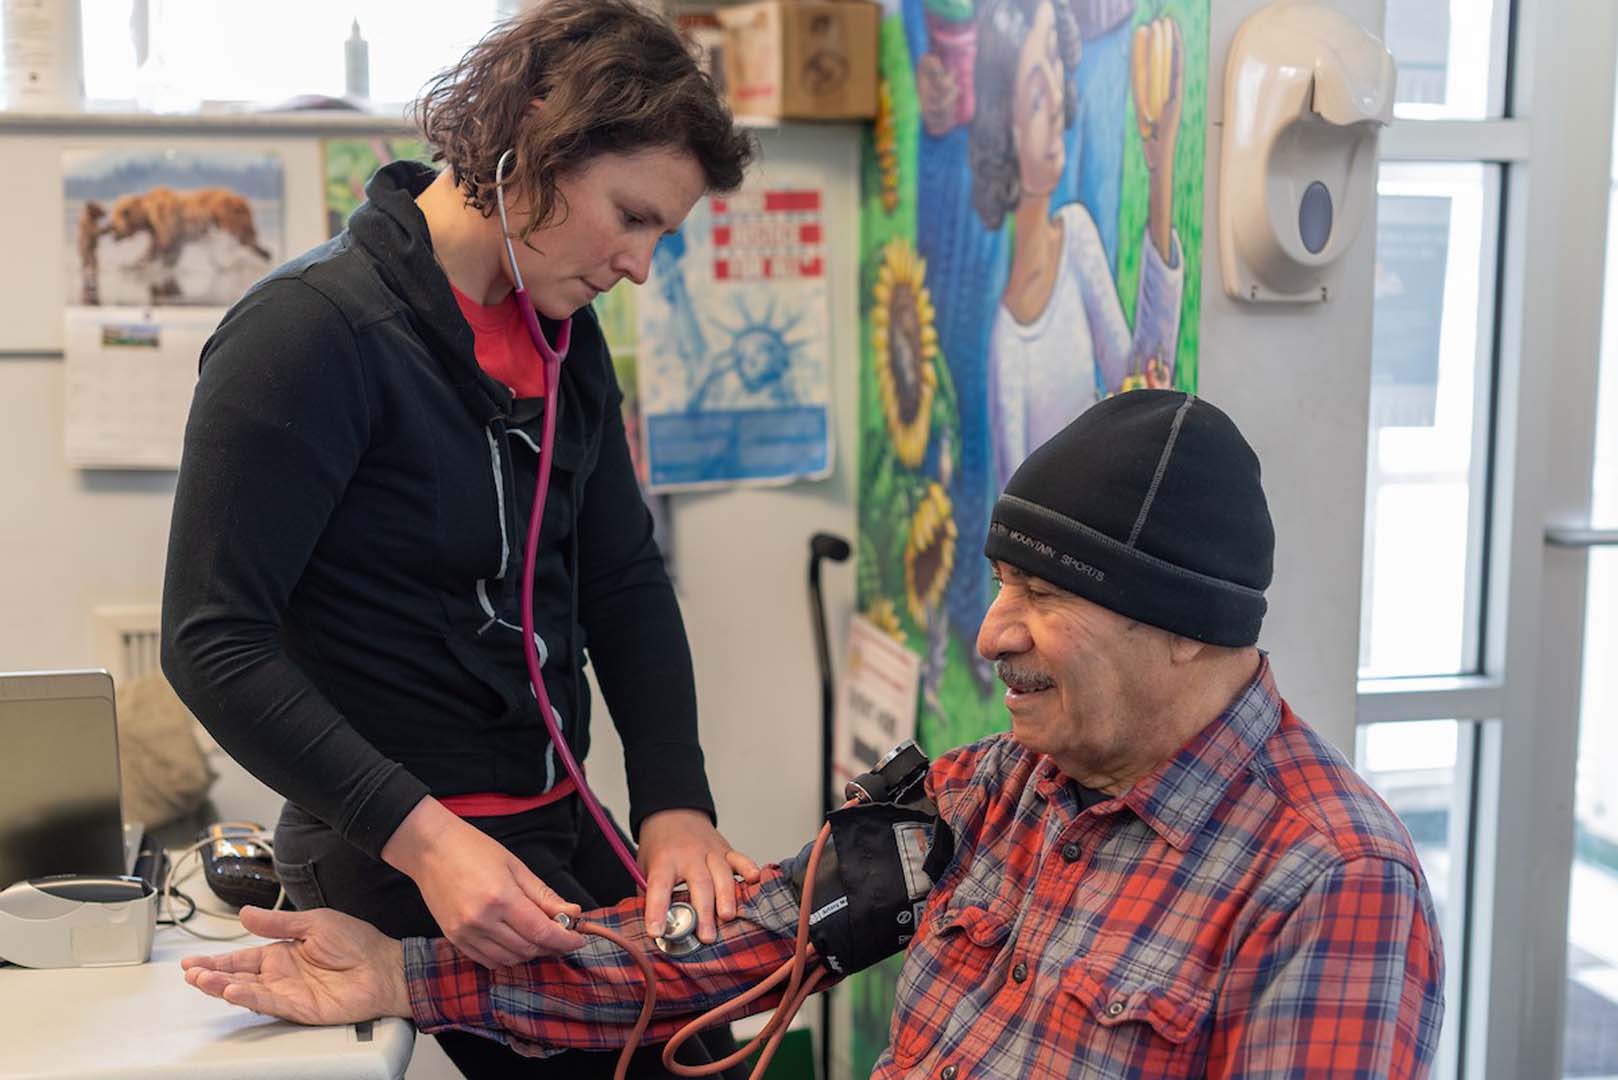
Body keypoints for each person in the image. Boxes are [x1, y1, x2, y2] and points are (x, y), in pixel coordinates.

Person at [182, 391, 1447, 1078]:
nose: (990, 638)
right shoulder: (994, 789)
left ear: (1183, 630)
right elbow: (724, 949)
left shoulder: (1330, 886)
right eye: (999, 588)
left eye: (1043, 599)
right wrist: (406, 975)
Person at [160, 3, 759, 1076]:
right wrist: (429, 843)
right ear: (537, 135)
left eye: (660, 232)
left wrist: (675, 801)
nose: (639, 265)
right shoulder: (307, 334)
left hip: (553, 820)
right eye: (630, 217)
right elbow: (213, 642)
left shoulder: (562, 336)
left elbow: (621, 575)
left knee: (704, 1047)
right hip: (399, 846)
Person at [969, 0, 1185, 492]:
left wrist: (1161, 165)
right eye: (1035, 99)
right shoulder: (1009, 346)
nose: (1058, 102)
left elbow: (1142, 371)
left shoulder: (1075, 235)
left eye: (1055, 65)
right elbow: (1012, 530)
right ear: (1005, 127)